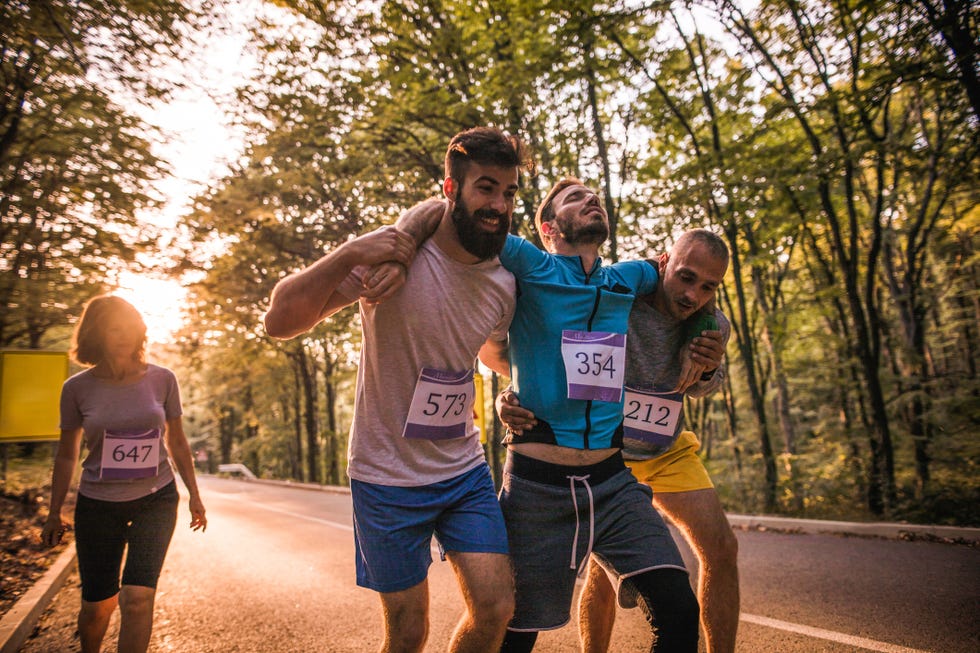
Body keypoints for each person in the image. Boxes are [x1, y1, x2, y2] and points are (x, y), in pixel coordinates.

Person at [397, 178, 702, 653]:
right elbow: (450, 215)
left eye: (594, 195)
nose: (591, 200)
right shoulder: (530, 263)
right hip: (538, 490)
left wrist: (711, 332)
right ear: (548, 227)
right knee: (513, 634)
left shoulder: (628, 277)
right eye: (575, 199)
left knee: (681, 613)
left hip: (613, 484)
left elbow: (691, 277)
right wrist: (397, 247)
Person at [263, 126, 531, 653]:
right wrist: (349, 253)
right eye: (485, 188)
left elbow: (493, 353)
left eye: (508, 192)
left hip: (462, 470)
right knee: (408, 634)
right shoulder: (392, 259)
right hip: (386, 476)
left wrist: (515, 387)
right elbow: (279, 321)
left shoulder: (505, 280)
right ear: (451, 190)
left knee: (497, 607)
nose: (499, 205)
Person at [498, 229, 738, 653]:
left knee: (721, 546)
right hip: (605, 451)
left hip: (666, 449)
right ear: (662, 263)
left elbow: (703, 388)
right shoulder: (615, 299)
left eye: (708, 287)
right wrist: (509, 395)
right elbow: (547, 349)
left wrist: (706, 367)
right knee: (603, 573)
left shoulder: (713, 323)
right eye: (685, 277)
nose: (693, 294)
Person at [41, 294, 207, 653]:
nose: (123, 336)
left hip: (156, 499)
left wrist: (195, 494)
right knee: (98, 605)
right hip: (98, 504)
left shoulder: (163, 379)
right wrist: (55, 512)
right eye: (114, 329)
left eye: (130, 328)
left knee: (137, 597)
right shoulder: (77, 389)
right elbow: (67, 454)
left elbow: (177, 441)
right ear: (96, 334)